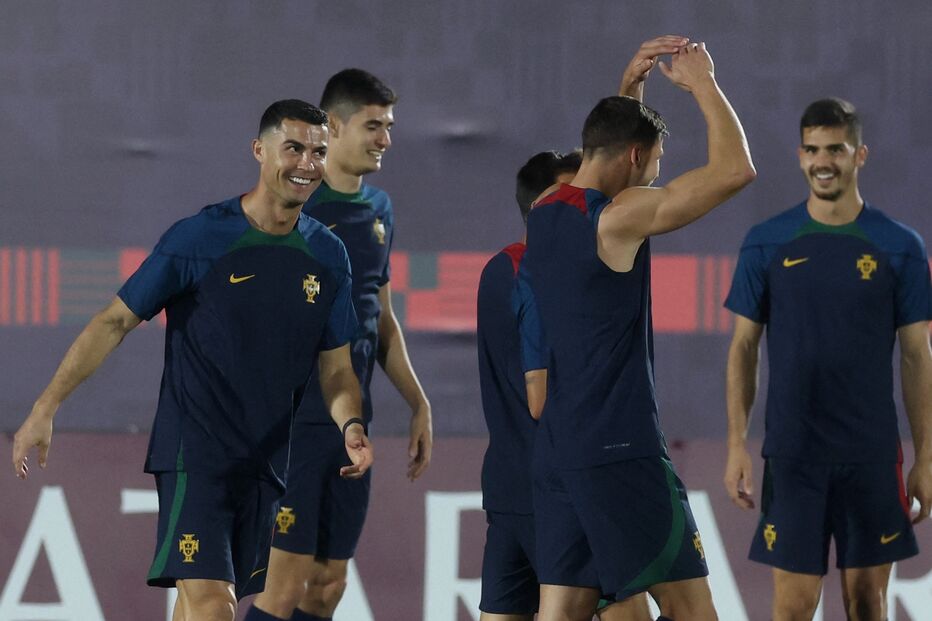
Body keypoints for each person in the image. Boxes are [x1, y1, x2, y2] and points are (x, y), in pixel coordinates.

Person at [11, 99, 374, 621]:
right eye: (292, 148)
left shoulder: (328, 255)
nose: (306, 164)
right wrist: (46, 407)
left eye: (318, 152)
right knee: (213, 606)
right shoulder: (199, 238)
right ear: (259, 149)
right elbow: (113, 322)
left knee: (198, 606)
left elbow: (337, 370)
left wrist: (351, 424)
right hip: (194, 454)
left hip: (267, 462)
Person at [522, 42, 756, 621]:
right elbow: (735, 171)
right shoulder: (620, 220)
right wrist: (704, 84)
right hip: (623, 449)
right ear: (635, 155)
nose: (658, 175)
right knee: (694, 611)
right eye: (656, 162)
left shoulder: (547, 208)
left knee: (570, 612)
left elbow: (604, 168)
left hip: (563, 451)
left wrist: (629, 96)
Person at [723, 97, 932, 621]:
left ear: (860, 155)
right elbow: (743, 348)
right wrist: (735, 445)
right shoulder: (765, 242)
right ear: (799, 156)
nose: (823, 161)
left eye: (835, 149)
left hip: (870, 455)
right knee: (793, 608)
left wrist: (927, 457)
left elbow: (916, 357)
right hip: (794, 457)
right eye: (813, 149)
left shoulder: (900, 246)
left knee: (867, 604)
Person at [247, 69, 432, 621]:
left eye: (389, 126)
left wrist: (418, 403)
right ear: (336, 125)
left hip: (352, 424)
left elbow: (383, 323)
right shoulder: (293, 204)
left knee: (327, 585)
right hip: (295, 428)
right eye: (374, 125)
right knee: (281, 591)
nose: (386, 139)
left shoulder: (379, 210)